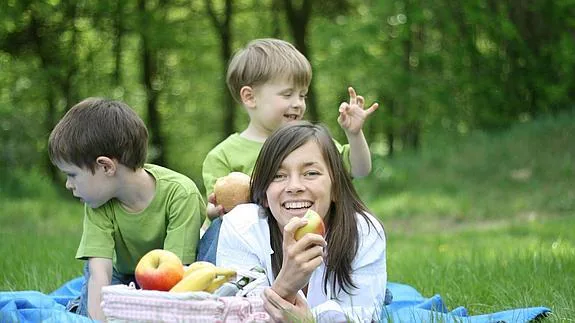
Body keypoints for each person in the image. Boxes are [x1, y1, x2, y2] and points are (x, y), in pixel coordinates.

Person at [199, 38, 379, 262]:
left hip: (308, 237)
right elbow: (217, 209)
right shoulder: (223, 156)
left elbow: (360, 169)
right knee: (219, 228)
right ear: (250, 97)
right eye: (287, 94)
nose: (298, 103)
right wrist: (216, 211)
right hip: (252, 249)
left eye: (302, 95)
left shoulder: (313, 144)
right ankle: (219, 287)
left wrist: (354, 134)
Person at [48, 98, 206, 321]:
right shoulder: (98, 202)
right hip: (121, 278)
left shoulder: (180, 194)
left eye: (72, 174)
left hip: (172, 277)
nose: (68, 184)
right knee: (93, 282)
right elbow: (100, 272)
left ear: (106, 166)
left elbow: (176, 278)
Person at [216, 121, 387, 322]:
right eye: (279, 176)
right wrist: (286, 284)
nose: (294, 186)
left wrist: (308, 320)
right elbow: (237, 316)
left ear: (335, 188)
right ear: (264, 195)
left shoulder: (363, 232)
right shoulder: (240, 225)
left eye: (311, 173)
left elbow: (363, 315)